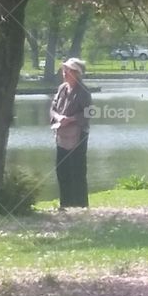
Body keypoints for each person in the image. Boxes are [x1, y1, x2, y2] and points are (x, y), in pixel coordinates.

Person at [50, 57, 93, 208]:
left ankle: (81, 205)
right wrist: (58, 117)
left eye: (67, 70)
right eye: (64, 69)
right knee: (62, 170)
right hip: (61, 135)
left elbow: (89, 112)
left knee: (77, 170)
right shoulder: (62, 88)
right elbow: (53, 108)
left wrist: (71, 119)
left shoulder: (84, 92)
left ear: (75, 73)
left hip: (78, 135)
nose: (64, 73)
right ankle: (65, 204)